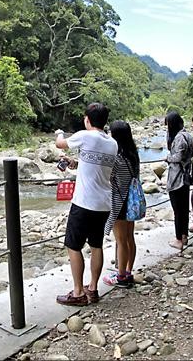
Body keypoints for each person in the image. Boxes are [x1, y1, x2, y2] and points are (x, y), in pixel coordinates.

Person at [54, 102, 118, 306]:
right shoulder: (112, 143)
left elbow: (59, 144)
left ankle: (78, 292)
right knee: (96, 245)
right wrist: (76, 163)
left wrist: (58, 132)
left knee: (73, 246)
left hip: (83, 203)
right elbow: (96, 165)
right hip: (103, 203)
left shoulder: (85, 135)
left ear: (87, 119)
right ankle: (93, 289)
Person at [101, 120, 140, 288]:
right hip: (131, 201)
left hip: (119, 202)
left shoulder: (117, 158)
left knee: (121, 240)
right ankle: (128, 271)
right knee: (130, 238)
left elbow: (108, 177)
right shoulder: (133, 154)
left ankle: (121, 277)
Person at [164, 111, 193, 250]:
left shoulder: (179, 138)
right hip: (186, 176)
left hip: (177, 178)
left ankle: (178, 239)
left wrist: (168, 158)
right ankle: (184, 236)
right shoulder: (188, 135)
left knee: (178, 210)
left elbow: (178, 156)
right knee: (184, 209)